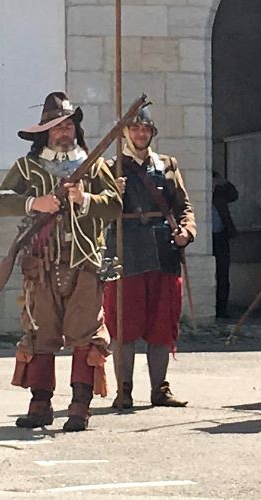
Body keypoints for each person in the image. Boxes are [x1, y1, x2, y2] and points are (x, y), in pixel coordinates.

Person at [0, 91, 121, 431]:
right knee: (41, 332)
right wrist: (35, 202)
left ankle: (79, 406)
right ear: (45, 133)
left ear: (75, 130)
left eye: (67, 126)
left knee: (85, 334)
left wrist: (86, 198)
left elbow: (116, 204)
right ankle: (40, 404)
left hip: (86, 262)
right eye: (56, 127)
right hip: (42, 265)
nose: (63, 132)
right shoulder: (27, 167)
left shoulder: (94, 165)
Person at [103, 105, 195, 409]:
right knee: (124, 326)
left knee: (161, 324)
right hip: (125, 252)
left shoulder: (167, 164)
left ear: (151, 132)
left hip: (162, 250)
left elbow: (184, 207)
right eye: (135, 128)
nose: (140, 133)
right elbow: (98, 209)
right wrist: (112, 192)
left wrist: (186, 232)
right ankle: (124, 390)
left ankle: (159, 389)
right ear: (126, 132)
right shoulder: (111, 167)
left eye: (145, 129)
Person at [212, 170, 239, 318]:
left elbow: (234, 195)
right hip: (207, 236)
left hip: (221, 235)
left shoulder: (221, 193)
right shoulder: (199, 195)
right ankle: (212, 307)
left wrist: (223, 182)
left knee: (223, 273)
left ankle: (222, 309)